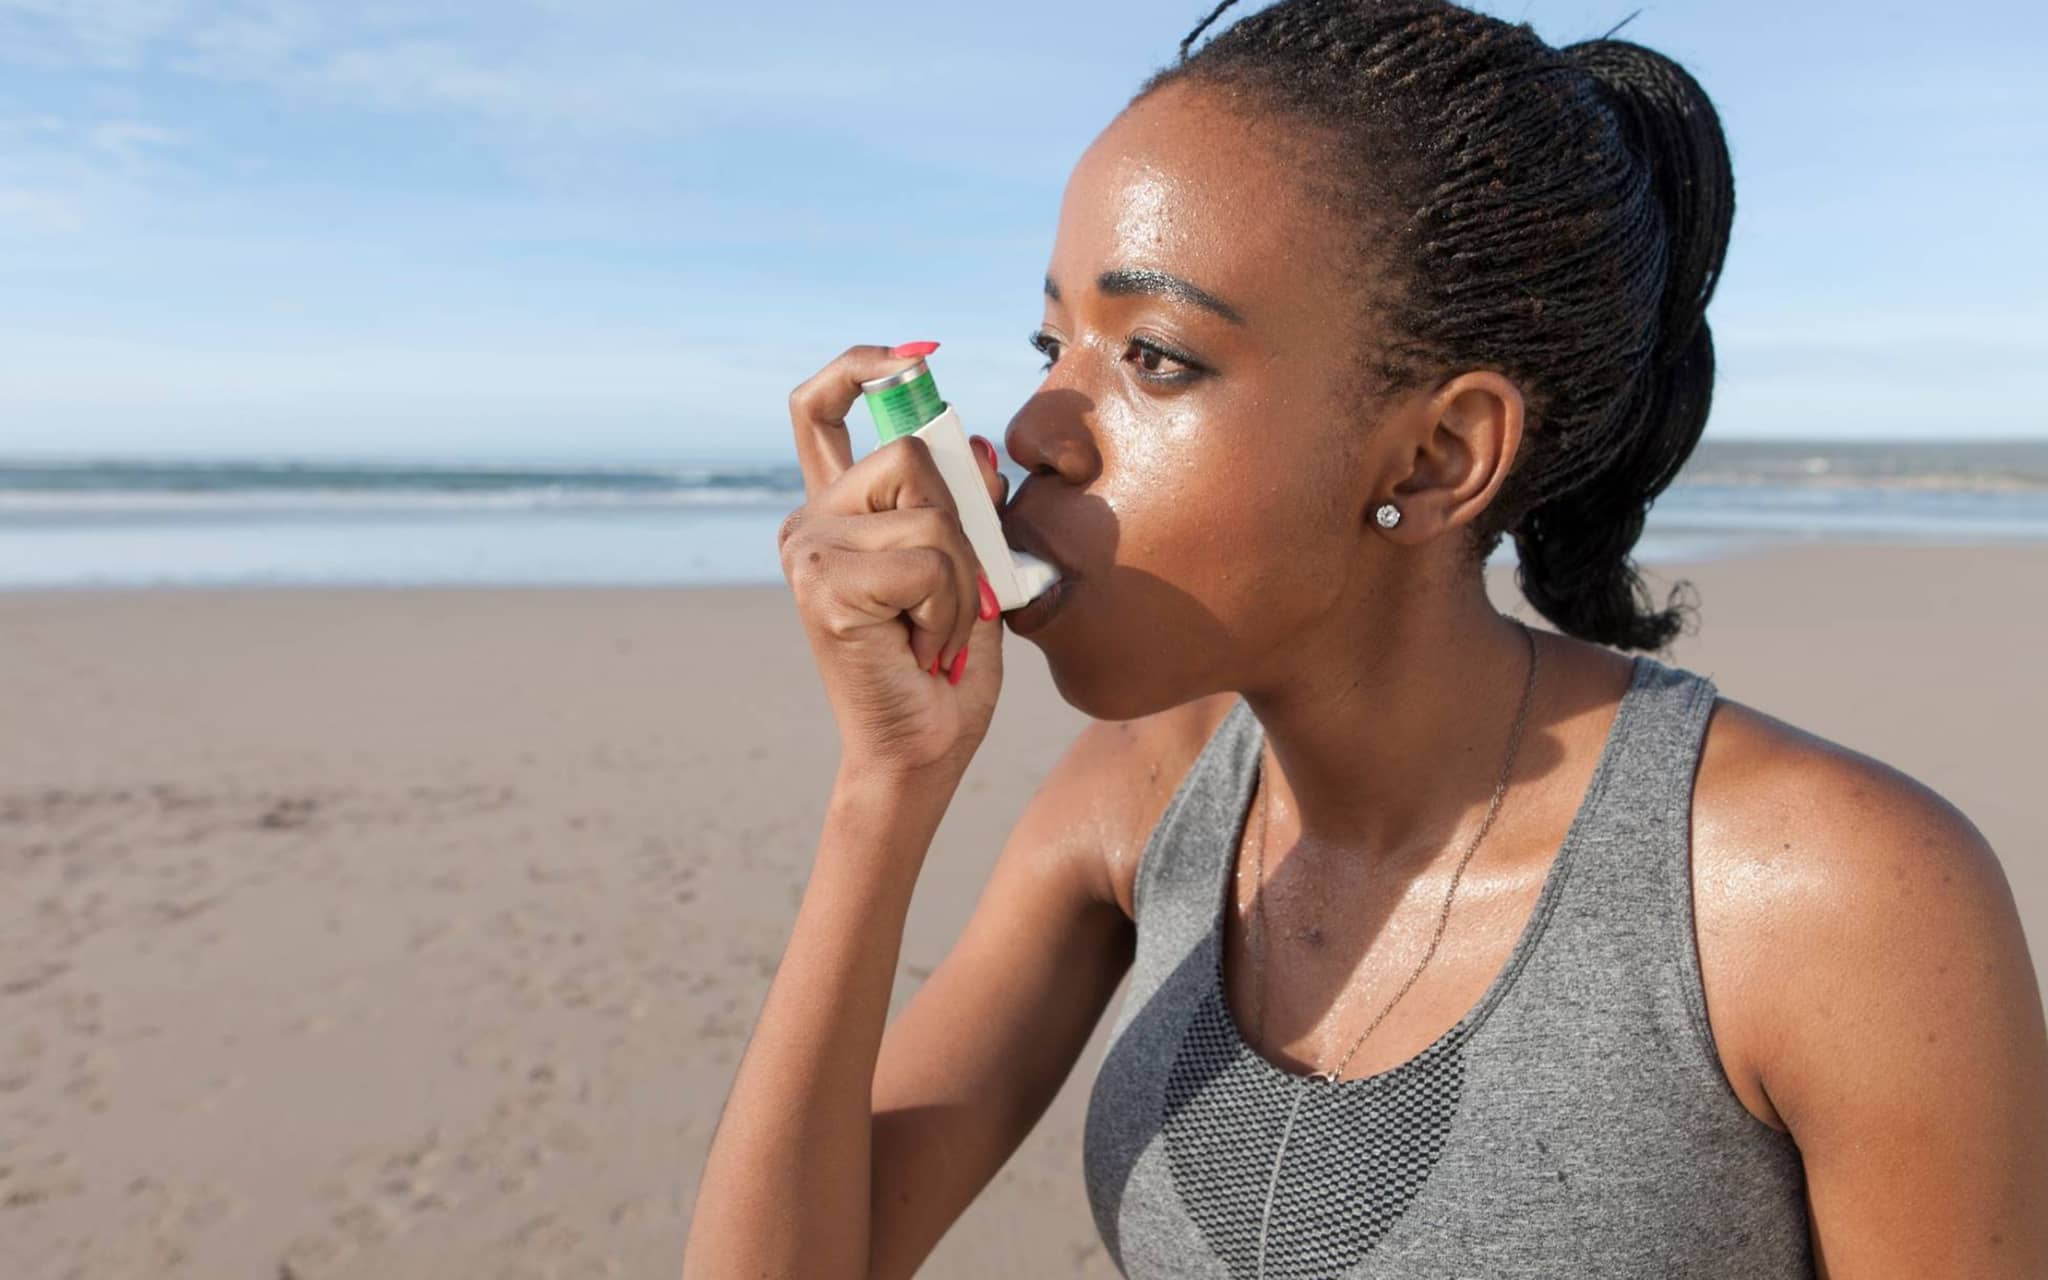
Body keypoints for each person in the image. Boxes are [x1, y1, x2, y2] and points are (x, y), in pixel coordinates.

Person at [683, 1, 2048, 1276]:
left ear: (1442, 453)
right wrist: (888, 783)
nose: (1036, 430)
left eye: (1155, 356)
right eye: (1053, 345)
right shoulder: (1134, 805)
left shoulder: (1832, 898)